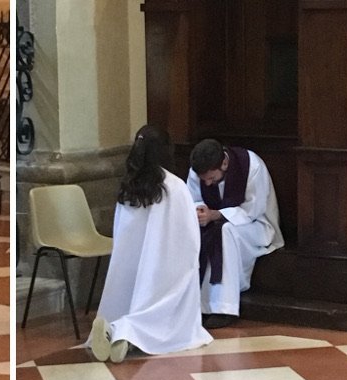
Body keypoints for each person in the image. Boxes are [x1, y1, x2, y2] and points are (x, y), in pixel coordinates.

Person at [88, 124, 211, 363]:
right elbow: (187, 234)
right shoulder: (174, 186)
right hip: (163, 266)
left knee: (133, 299)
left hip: (129, 266)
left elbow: (121, 230)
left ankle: (113, 328)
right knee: (163, 304)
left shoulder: (128, 185)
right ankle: (126, 331)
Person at [187, 138, 283, 329]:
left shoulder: (251, 166)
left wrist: (216, 215)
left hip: (256, 225)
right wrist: (199, 210)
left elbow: (252, 210)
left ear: (224, 163)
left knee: (226, 230)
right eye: (204, 179)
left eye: (211, 178)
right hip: (216, 223)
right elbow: (193, 197)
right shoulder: (198, 171)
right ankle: (200, 305)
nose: (207, 183)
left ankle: (224, 307)